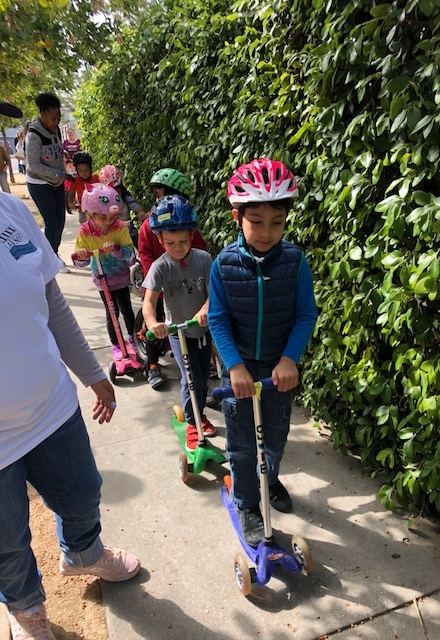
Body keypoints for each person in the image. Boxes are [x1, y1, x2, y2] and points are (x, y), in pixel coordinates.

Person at [0, 96, 140, 640]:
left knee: (83, 493)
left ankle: (83, 553)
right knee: (7, 543)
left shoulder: (10, 212)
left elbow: (52, 303)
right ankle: (26, 610)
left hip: (50, 406)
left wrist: (93, 373)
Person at [208, 158, 318, 546]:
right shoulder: (223, 265)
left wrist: (289, 358)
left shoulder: (295, 261)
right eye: (256, 221)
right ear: (237, 217)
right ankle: (247, 504)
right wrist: (234, 366)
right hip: (239, 370)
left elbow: (306, 314)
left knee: (274, 437)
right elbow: (218, 319)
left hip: (277, 370)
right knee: (242, 444)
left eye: (277, 222)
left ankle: (268, 479)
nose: (267, 232)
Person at [142, 195, 216, 450]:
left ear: (192, 235)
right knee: (190, 378)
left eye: (183, 241)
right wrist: (153, 323)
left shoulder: (204, 259)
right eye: (170, 243)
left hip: (202, 330)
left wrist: (205, 309)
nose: (177, 248)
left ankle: (198, 413)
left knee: (203, 379)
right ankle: (193, 424)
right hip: (178, 332)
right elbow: (148, 303)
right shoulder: (160, 267)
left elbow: (213, 294)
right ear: (160, 240)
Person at [138, 168, 208, 390]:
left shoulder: (192, 235)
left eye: (164, 194)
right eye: (158, 195)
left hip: (191, 290)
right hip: (163, 284)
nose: (178, 247)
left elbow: (202, 255)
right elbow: (145, 255)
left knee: (200, 375)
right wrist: (156, 280)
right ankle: (152, 364)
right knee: (155, 322)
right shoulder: (150, 226)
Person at [73, 183, 137, 359]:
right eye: (103, 217)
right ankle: (116, 343)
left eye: (112, 217)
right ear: (90, 214)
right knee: (111, 312)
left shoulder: (120, 227)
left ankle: (133, 337)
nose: (108, 222)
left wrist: (116, 250)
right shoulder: (85, 231)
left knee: (126, 308)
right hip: (102, 279)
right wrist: (82, 256)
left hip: (121, 277)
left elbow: (129, 252)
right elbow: (80, 261)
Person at [25, 92, 72, 273]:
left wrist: (62, 155)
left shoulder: (56, 130)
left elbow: (54, 150)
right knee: (51, 223)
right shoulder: (33, 135)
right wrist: (60, 174)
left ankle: (53, 254)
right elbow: (34, 165)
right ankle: (50, 260)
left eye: (58, 118)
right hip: (39, 184)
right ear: (42, 114)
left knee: (60, 221)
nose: (56, 122)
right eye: (53, 119)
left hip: (56, 182)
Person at [98, 164, 147, 248]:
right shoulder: (101, 204)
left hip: (129, 233)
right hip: (112, 237)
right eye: (112, 189)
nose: (116, 192)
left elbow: (136, 206)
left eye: (117, 187)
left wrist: (141, 214)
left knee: (142, 247)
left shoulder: (125, 197)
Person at [67, 151, 99, 224]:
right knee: (84, 225)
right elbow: (70, 193)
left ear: (90, 169)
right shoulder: (76, 181)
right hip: (83, 209)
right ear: (77, 171)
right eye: (80, 170)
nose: (84, 173)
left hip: (97, 209)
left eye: (86, 170)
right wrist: (70, 203)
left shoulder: (96, 178)